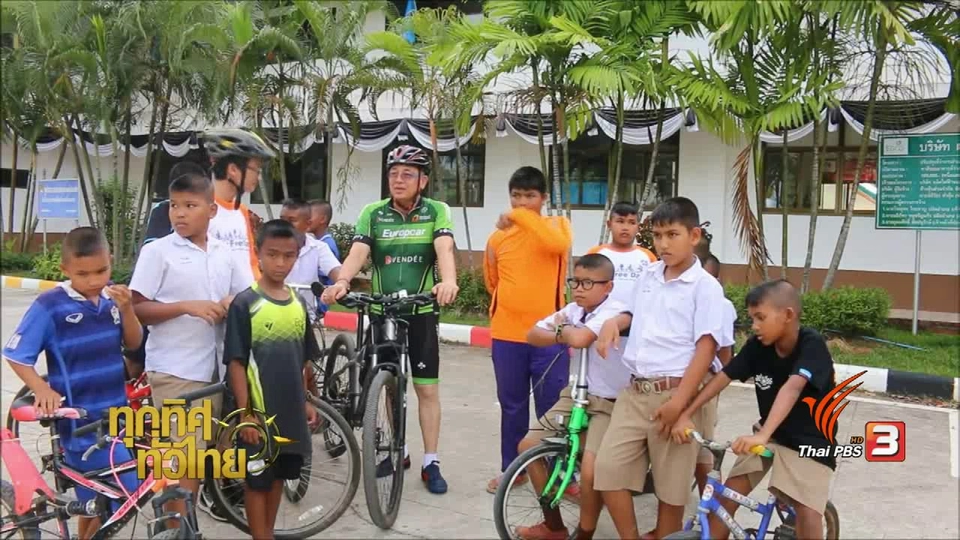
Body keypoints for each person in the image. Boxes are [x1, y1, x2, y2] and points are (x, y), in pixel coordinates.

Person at [320, 144, 459, 494]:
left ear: (422, 180)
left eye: (407, 174)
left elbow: (444, 248)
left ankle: (431, 461)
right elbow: (358, 252)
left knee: (426, 388)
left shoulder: (436, 211)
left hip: (421, 311)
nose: (398, 180)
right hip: (383, 312)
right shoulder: (373, 213)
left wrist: (449, 281)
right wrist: (342, 281)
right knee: (389, 385)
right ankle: (400, 450)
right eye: (394, 174)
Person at [593, 196, 727, 540]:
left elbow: (706, 349)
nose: (663, 244)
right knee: (607, 472)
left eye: (672, 235)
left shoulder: (706, 288)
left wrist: (680, 404)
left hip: (676, 394)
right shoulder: (649, 274)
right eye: (657, 236)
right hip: (635, 391)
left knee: (671, 492)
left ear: (694, 236)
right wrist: (613, 323)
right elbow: (629, 311)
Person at [3, 227, 143, 540]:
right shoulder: (50, 306)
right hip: (80, 425)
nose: (94, 281)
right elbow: (16, 354)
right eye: (83, 274)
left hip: (117, 417)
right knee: (128, 489)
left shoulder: (113, 299)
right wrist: (41, 388)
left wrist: (127, 309)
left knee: (96, 503)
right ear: (64, 269)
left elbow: (134, 343)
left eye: (102, 271)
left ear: (110, 261)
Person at [672, 280, 837, 540]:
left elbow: (792, 388)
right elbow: (723, 377)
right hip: (771, 433)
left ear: (788, 315)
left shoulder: (811, 345)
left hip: (810, 440)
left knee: (807, 511)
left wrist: (762, 435)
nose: (755, 326)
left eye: (761, 317)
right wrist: (685, 413)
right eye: (752, 319)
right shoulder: (758, 346)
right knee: (727, 497)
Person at [129, 171, 249, 524]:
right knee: (183, 461)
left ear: (211, 210)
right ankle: (177, 529)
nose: (179, 213)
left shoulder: (225, 253)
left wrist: (232, 301)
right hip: (176, 370)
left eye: (190, 205)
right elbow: (137, 308)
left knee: (203, 457)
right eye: (174, 206)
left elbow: (248, 295)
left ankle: (183, 526)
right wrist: (186, 306)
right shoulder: (158, 252)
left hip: (217, 369)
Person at [513, 254, 632, 540]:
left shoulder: (615, 311)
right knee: (528, 446)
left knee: (590, 470)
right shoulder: (574, 310)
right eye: (575, 281)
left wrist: (561, 330)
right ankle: (553, 525)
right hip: (576, 395)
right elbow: (532, 335)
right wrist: (564, 331)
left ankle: (585, 532)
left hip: (608, 402)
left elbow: (580, 340)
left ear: (608, 286)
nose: (579, 289)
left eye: (588, 283)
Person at [224, 220, 321, 540]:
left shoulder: (297, 303)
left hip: (290, 413)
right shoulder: (245, 303)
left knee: (279, 476)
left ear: (297, 256)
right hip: (258, 414)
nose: (280, 263)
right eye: (273, 254)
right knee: (257, 481)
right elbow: (236, 363)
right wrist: (246, 413)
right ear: (258, 254)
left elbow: (304, 360)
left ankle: (267, 533)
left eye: (288, 256)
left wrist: (306, 400)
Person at [483, 166, 573, 494]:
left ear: (544, 198)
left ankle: (558, 473)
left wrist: (519, 217)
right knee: (512, 406)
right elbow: (492, 280)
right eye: (516, 196)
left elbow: (557, 244)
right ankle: (514, 470)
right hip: (507, 335)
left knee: (552, 407)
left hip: (550, 335)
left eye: (530, 196)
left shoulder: (557, 227)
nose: (521, 203)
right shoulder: (497, 238)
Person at [203, 128, 276, 286]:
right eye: (256, 169)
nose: (258, 176)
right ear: (233, 170)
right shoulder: (200, 210)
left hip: (243, 300)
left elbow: (251, 265)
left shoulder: (242, 212)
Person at [694, 251, 737, 496]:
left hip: (705, 380)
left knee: (704, 446)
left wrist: (714, 385)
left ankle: (710, 502)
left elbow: (725, 353)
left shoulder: (721, 305)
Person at [587, 201, 657, 306]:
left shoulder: (648, 257)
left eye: (631, 222)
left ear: (638, 227)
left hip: (637, 314)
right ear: (609, 224)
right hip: (602, 314)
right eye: (620, 221)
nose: (625, 227)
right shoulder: (595, 254)